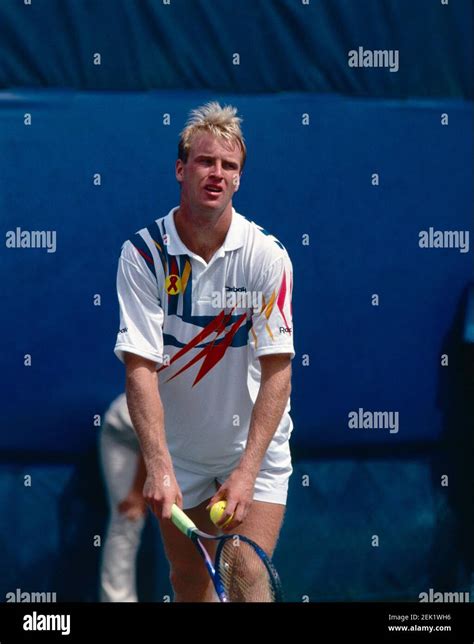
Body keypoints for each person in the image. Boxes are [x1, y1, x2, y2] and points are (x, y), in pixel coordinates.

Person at [114, 101, 294, 602]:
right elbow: (140, 367)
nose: (217, 173)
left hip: (253, 452)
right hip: (182, 456)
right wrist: (160, 465)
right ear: (181, 169)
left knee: (246, 575)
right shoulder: (143, 254)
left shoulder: (267, 257)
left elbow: (278, 371)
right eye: (205, 161)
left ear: (238, 180)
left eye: (229, 166)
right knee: (190, 585)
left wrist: (247, 470)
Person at [99, 393, 147, 602]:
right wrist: (137, 493)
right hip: (124, 434)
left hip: (170, 442)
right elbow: (153, 444)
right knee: (128, 517)